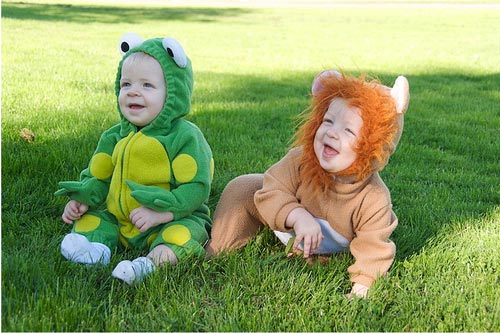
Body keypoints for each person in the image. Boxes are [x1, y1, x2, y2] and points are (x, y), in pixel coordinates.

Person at [205, 70, 409, 298]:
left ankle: (320, 256)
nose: (331, 133)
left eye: (348, 130)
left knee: (369, 252)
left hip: (335, 240)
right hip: (287, 225)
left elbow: (374, 247)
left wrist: (362, 288)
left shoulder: (373, 197)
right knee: (243, 187)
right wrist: (296, 216)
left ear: (376, 147)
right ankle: (217, 249)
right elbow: (271, 190)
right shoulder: (299, 159)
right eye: (328, 121)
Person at [55, 33, 214, 285]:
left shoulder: (184, 137)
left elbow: (197, 188)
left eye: (147, 86)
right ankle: (95, 250)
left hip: (172, 218)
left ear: (172, 92)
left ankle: (149, 264)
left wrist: (162, 214)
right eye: (126, 84)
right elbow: (98, 173)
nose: (133, 93)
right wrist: (84, 198)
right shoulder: (114, 135)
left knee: (184, 234)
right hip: (120, 218)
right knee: (94, 219)